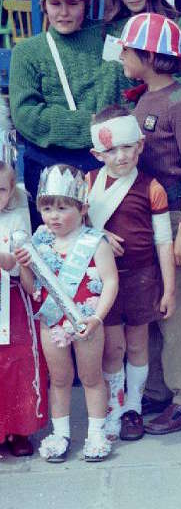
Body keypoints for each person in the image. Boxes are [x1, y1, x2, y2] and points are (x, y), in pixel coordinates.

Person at [113, 12, 181, 434]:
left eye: (127, 49)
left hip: (174, 218)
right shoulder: (144, 99)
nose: (121, 54)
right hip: (149, 219)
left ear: (150, 57)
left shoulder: (178, 104)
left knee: (177, 309)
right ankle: (159, 387)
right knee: (154, 303)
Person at [14, 165, 118, 462]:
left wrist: (97, 317)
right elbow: (29, 286)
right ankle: (60, 434)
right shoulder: (39, 242)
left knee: (91, 376)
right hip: (52, 323)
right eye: (47, 208)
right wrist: (24, 265)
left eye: (62, 208)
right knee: (59, 380)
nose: (54, 216)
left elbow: (111, 281)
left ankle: (96, 432)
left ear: (82, 208)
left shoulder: (95, 242)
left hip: (86, 321)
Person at [85, 107, 175, 442]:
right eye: (111, 150)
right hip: (103, 280)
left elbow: (164, 242)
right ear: (97, 153)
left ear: (140, 145)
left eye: (127, 147)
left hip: (141, 277)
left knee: (137, 344)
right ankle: (114, 405)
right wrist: (100, 236)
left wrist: (168, 290)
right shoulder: (89, 184)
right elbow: (77, 227)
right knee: (112, 348)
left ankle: (133, 407)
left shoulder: (152, 187)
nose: (120, 156)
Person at [9, 0, 112, 222]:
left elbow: (120, 95)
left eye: (73, 3)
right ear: (44, 6)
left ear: (86, 5)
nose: (63, 12)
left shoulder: (105, 40)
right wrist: (90, 123)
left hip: (102, 163)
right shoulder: (27, 52)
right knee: (55, 244)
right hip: (48, 166)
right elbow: (25, 115)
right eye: (55, 4)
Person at [0, 162, 48, 457]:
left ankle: (19, 428)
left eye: (1, 189)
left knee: (19, 363)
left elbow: (25, 257)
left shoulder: (16, 217)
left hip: (13, 297)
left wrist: (13, 263)